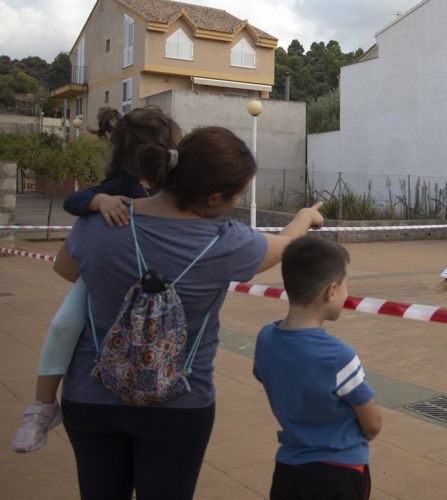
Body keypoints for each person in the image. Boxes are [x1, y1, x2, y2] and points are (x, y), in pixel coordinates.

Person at [51, 125, 324, 500]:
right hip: (177, 405)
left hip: (90, 394)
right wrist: (306, 217)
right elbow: (288, 243)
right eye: (238, 194)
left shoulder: (98, 222)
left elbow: (66, 270)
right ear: (214, 198)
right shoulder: (226, 244)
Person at [11, 105, 181, 453]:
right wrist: (100, 200)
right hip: (107, 276)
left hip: (154, 281)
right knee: (62, 326)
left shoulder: (174, 183)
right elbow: (75, 200)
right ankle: (43, 407)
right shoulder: (120, 185)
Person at [254, 236, 381, 500]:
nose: (347, 293)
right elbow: (372, 424)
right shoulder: (340, 357)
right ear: (331, 291)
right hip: (340, 471)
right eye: (346, 285)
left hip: (288, 468)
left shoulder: (266, 339)